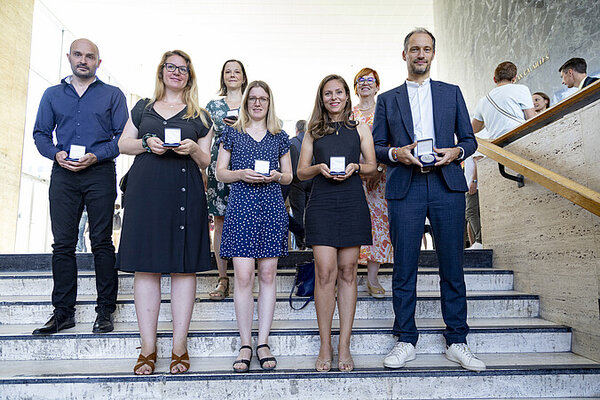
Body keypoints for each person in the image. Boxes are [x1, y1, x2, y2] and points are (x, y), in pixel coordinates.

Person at [373, 28, 486, 372]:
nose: (420, 54)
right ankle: (406, 340)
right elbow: (377, 146)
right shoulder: (387, 99)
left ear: (433, 54)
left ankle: (457, 340)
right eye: (414, 49)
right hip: (405, 187)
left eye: (426, 49)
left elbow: (469, 139)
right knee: (404, 267)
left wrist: (456, 152)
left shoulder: (451, 93)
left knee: (452, 266)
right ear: (404, 54)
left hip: (445, 185)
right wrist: (396, 153)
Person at [116, 50, 213, 375]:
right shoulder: (143, 107)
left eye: (183, 69)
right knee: (146, 269)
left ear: (190, 76)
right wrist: (147, 143)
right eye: (171, 67)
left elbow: (206, 161)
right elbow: (123, 144)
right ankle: (148, 347)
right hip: (145, 193)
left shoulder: (201, 115)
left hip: (185, 192)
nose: (176, 72)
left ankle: (179, 345)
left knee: (183, 270)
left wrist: (194, 148)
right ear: (161, 71)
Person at [32, 38, 127, 336]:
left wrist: (96, 155)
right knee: (62, 244)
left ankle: (105, 310)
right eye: (78, 55)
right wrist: (55, 154)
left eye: (89, 56)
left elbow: (122, 138)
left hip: (99, 171)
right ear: (69, 57)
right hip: (63, 173)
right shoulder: (52, 94)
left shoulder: (112, 95)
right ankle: (63, 313)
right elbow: (40, 133)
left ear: (99, 62)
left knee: (101, 241)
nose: (83, 60)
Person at [297, 74, 377, 373]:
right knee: (324, 272)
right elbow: (300, 172)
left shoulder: (360, 128)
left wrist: (358, 166)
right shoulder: (313, 131)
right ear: (322, 98)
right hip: (322, 204)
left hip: (352, 202)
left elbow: (373, 167)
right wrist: (318, 167)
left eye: (339, 92)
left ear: (347, 95)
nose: (334, 98)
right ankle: (325, 344)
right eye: (328, 93)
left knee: (348, 272)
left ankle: (344, 344)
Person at [215, 80, 292, 373]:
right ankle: (245, 343)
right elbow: (220, 173)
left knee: (268, 275)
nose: (257, 103)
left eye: (263, 98)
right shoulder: (232, 133)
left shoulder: (279, 136)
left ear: (269, 102)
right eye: (253, 98)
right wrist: (241, 174)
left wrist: (276, 176)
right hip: (241, 207)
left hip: (271, 206)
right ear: (246, 102)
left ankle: (263, 342)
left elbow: (289, 176)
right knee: (244, 276)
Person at [205, 60, 248, 301]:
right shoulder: (213, 106)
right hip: (218, 165)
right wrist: (202, 169)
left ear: (244, 76)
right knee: (219, 221)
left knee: (246, 220)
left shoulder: (252, 100)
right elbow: (205, 138)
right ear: (223, 77)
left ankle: (245, 276)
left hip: (247, 164)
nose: (232, 75)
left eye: (237, 71)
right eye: (228, 71)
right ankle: (223, 278)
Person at [352, 67, 393, 299]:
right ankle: (346, 274)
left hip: (380, 178)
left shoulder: (384, 112)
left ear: (377, 86)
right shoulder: (348, 113)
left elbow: (391, 143)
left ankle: (372, 277)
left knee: (378, 225)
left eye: (370, 80)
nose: (365, 83)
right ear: (355, 86)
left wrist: (378, 170)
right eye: (361, 80)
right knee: (352, 222)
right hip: (351, 176)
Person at [471, 61, 536, 140]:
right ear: (514, 78)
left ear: (494, 79)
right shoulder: (521, 89)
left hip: (497, 144)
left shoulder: (483, 101)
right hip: (519, 138)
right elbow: (531, 119)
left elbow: (473, 130)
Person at [282, 119, 311, 249]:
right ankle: (311, 240)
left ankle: (301, 243)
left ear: (296, 130)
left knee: (298, 212)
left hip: (296, 183)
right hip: (312, 181)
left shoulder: (291, 142)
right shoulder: (312, 141)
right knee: (310, 213)